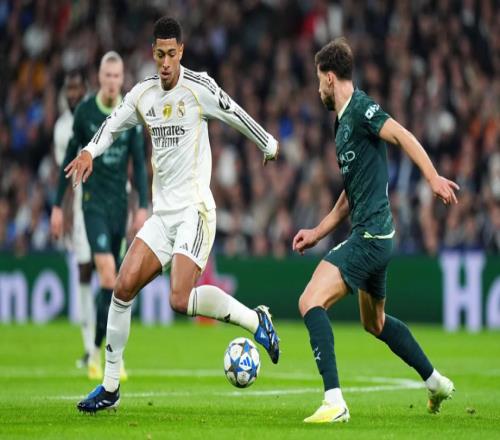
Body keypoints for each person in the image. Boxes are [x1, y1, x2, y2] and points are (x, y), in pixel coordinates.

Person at [68, 17, 280, 413]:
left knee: (179, 299)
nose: (165, 62)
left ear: (181, 51)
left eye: (172, 54)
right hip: (162, 217)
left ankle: (256, 321)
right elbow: (112, 125)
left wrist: (267, 142)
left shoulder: (199, 88)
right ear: (153, 53)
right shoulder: (143, 94)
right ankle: (110, 388)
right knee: (121, 289)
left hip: (194, 211)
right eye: (160, 54)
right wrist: (88, 152)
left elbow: (234, 112)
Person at [292, 38, 458, 424]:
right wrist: (317, 232)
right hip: (378, 236)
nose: (318, 89)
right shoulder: (341, 123)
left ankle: (334, 401)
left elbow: (402, 135)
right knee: (374, 323)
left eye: (318, 80)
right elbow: (349, 196)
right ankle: (436, 382)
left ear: (330, 78)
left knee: (309, 300)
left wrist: (432, 177)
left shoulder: (361, 109)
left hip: (370, 237)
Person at [51, 51, 149, 381]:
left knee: (117, 284)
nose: (111, 82)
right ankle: (101, 354)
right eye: (107, 75)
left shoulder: (130, 113)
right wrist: (56, 206)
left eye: (116, 76)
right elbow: (70, 157)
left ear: (122, 79)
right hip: (92, 203)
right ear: (100, 77)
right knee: (108, 275)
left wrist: (142, 206)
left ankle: (100, 352)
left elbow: (138, 162)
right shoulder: (86, 112)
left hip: (120, 206)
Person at [51, 70, 94, 369]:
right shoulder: (61, 129)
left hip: (107, 201)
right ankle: (90, 347)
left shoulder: (97, 115)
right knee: (84, 270)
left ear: (85, 90)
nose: (73, 94)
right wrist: (63, 210)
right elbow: (64, 173)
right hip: (80, 206)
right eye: (69, 89)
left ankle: (109, 343)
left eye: (77, 88)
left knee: (110, 273)